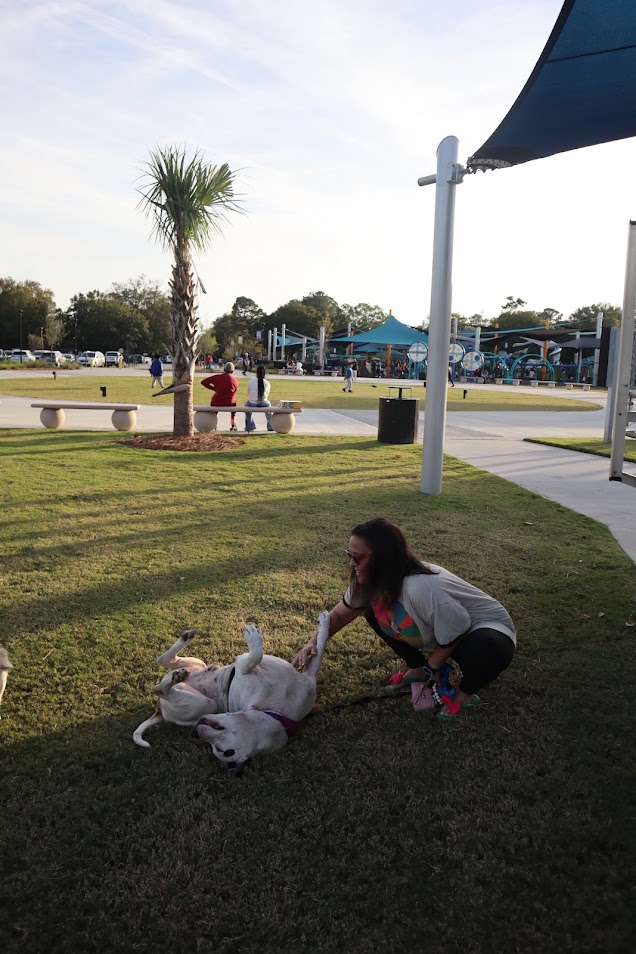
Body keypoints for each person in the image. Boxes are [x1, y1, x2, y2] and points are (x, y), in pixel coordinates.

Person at [292, 517, 515, 722]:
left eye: (357, 557)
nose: (351, 563)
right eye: (349, 555)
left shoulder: (420, 587)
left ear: (384, 558)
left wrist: (433, 668)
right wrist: (312, 644)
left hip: (482, 628)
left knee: (488, 649)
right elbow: (340, 614)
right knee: (373, 610)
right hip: (445, 629)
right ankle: (416, 668)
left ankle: (464, 694)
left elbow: (459, 628)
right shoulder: (369, 582)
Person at [201, 361, 239, 431]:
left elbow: (203, 382)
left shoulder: (217, 377)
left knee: (214, 410)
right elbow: (234, 392)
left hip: (217, 401)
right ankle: (233, 424)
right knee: (233, 409)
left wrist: (213, 388)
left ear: (224, 369)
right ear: (232, 371)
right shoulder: (235, 381)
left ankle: (214, 424)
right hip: (230, 402)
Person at [245, 365, 273, 433]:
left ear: (256, 373)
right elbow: (267, 395)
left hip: (252, 403)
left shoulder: (251, 381)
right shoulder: (267, 383)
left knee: (246, 406)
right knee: (269, 406)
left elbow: (249, 393)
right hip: (264, 403)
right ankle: (270, 425)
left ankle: (250, 426)